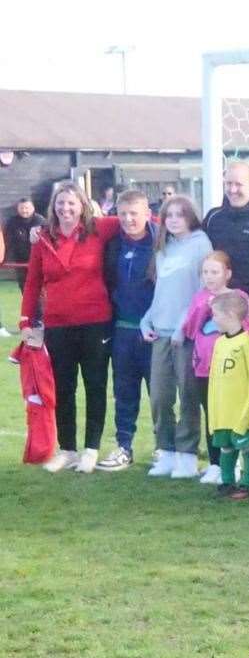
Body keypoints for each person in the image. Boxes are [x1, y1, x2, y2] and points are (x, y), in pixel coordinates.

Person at [23, 182, 123, 473]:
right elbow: (32, 283)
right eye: (60, 203)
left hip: (95, 323)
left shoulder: (99, 229)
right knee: (63, 388)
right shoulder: (42, 237)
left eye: (71, 203)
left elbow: (140, 217)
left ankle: (91, 449)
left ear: (83, 205)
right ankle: (67, 449)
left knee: (95, 385)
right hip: (57, 325)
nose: (66, 209)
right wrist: (26, 321)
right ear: (53, 207)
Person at [137, 195, 212, 478]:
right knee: (159, 396)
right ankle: (165, 450)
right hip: (160, 333)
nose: (174, 220)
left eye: (180, 214)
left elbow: (203, 291)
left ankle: (187, 454)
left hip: (187, 334)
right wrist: (147, 320)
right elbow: (161, 292)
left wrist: (184, 325)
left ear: (190, 217)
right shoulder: (163, 247)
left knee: (188, 395)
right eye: (169, 215)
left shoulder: (201, 244)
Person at [180, 252, 249, 483]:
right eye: (205, 272)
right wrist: (203, 308)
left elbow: (248, 329)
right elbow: (190, 330)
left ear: (228, 274)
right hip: (205, 369)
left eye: (214, 272)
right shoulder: (199, 298)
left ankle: (239, 462)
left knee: (235, 414)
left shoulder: (238, 297)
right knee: (212, 414)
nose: (209, 277)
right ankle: (216, 463)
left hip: (234, 372)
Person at [99, 190, 157, 472]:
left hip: (156, 332)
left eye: (134, 213)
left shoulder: (162, 242)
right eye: (123, 213)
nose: (128, 219)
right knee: (124, 392)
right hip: (122, 329)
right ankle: (124, 446)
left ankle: (165, 447)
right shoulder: (111, 244)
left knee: (160, 393)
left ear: (147, 213)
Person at [206, 292, 249, 501]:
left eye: (216, 315)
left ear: (229, 315)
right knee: (226, 448)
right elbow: (213, 381)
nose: (213, 319)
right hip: (222, 413)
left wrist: (247, 413)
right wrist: (213, 414)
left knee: (246, 447)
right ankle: (227, 481)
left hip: (240, 413)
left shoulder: (246, 343)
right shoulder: (219, 343)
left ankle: (248, 484)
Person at [203, 159, 249, 302]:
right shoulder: (213, 218)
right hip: (218, 303)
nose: (232, 190)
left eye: (238, 184)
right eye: (229, 184)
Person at [5, 197, 44, 312]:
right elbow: (8, 240)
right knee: (25, 289)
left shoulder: (39, 221)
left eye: (27, 208)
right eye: (22, 208)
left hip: (38, 262)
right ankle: (32, 316)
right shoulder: (12, 222)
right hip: (20, 262)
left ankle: (42, 317)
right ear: (18, 209)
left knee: (39, 290)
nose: (24, 210)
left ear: (33, 208)